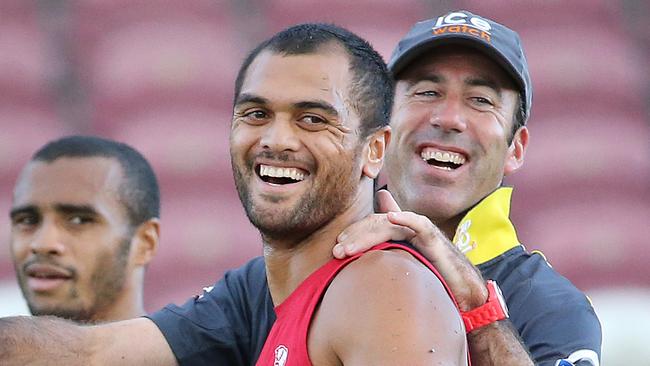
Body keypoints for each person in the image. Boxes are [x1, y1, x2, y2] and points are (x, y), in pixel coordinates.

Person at [0, 24, 467, 366]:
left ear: (374, 149)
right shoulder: (256, 293)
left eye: (312, 118)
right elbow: (88, 353)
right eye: (256, 113)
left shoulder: (384, 285)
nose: (276, 139)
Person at [332, 10, 602, 366]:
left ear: (515, 148)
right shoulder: (299, 265)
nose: (448, 118)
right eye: (427, 92)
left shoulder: (551, 307)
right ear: (382, 126)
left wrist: (480, 313)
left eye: (480, 100)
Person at [9, 135, 161, 323]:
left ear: (145, 243)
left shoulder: (192, 352)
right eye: (27, 220)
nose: (42, 244)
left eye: (78, 220)